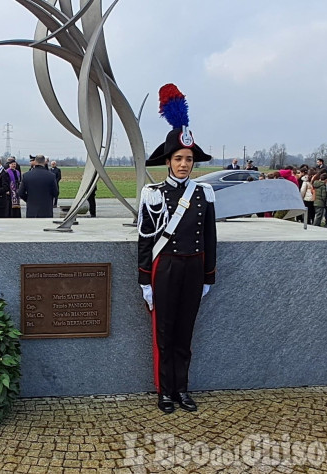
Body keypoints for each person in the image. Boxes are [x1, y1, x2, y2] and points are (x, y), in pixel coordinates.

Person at [138, 84, 216, 414]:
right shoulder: (152, 193)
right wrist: (144, 281)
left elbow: (210, 237)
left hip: (194, 268)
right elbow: (144, 241)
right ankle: (164, 391)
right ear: (168, 161)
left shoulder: (205, 192)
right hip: (165, 268)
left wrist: (209, 276)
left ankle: (183, 388)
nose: (184, 165)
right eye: (179, 159)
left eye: (189, 160)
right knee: (165, 333)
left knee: (186, 333)